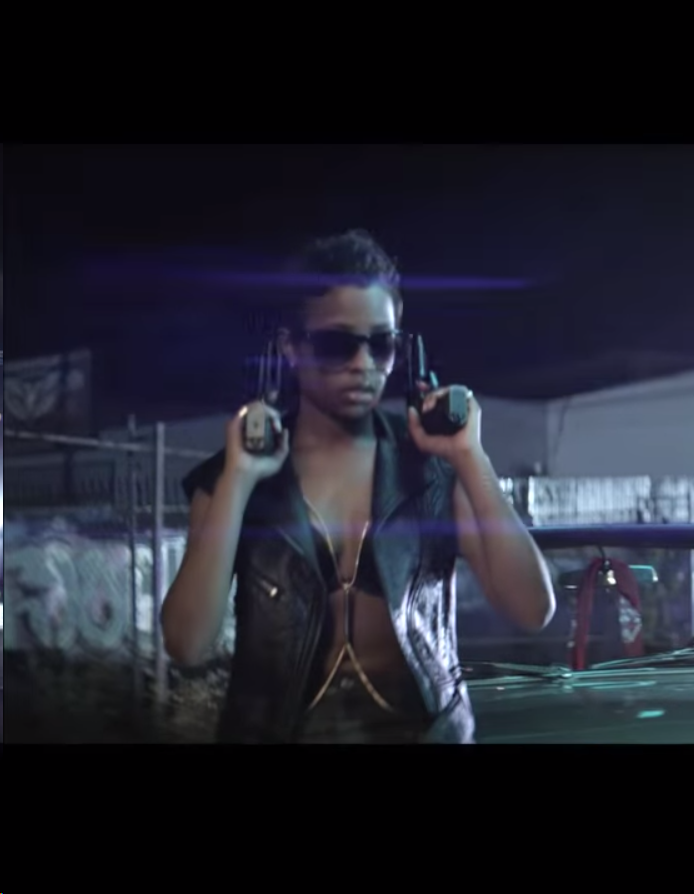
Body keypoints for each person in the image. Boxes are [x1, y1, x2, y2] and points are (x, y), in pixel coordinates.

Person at [161, 230, 556, 743]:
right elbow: (187, 644)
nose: (363, 364)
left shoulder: (432, 470)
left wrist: (469, 457)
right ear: (291, 347)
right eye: (336, 344)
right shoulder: (232, 476)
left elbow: (532, 609)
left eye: (382, 344)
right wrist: (237, 482)